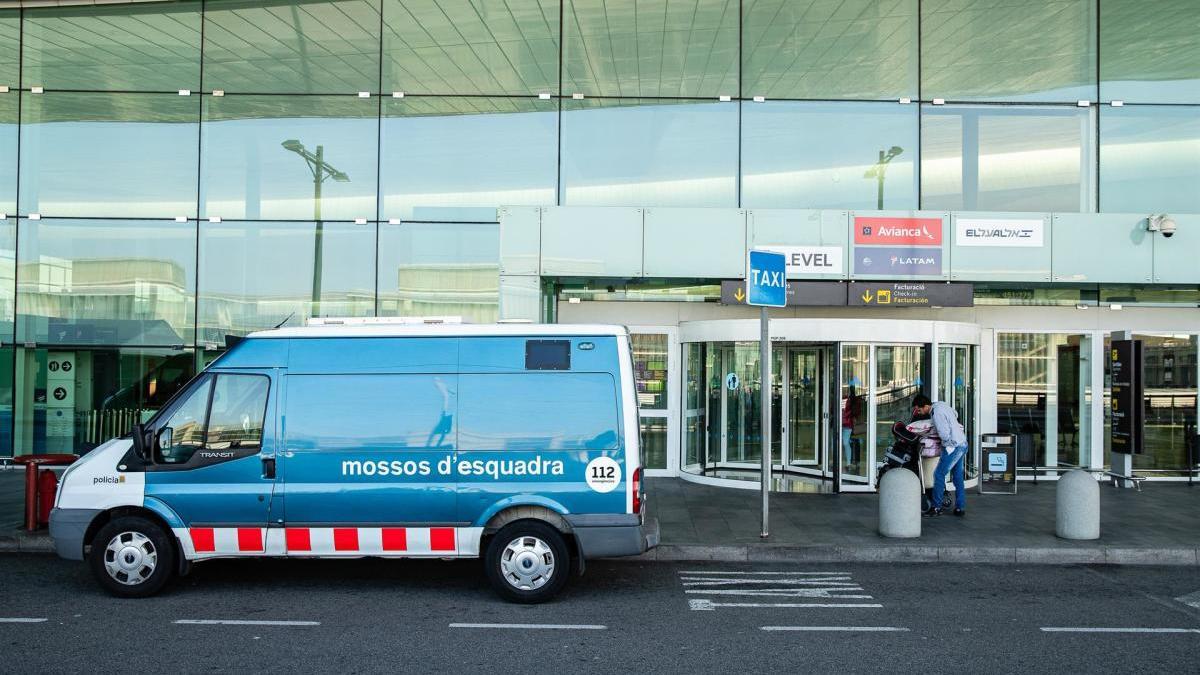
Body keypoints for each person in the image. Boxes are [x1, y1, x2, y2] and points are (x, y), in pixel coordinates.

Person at [912, 394, 968, 516]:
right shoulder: (941, 405)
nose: (919, 412)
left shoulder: (936, 413)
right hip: (962, 443)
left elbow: (943, 434)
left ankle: (936, 507)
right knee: (957, 476)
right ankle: (960, 507)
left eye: (919, 409)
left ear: (926, 406)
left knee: (938, 474)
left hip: (953, 446)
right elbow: (955, 414)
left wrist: (945, 445)